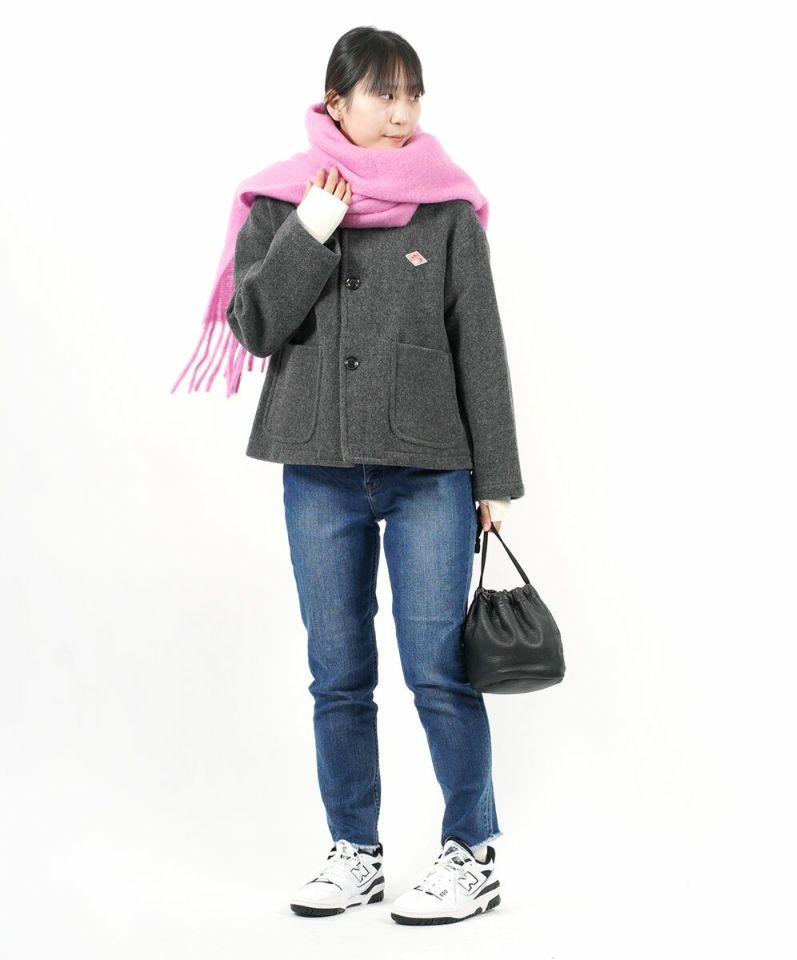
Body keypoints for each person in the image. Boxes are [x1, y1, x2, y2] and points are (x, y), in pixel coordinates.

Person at [203, 28, 526, 924]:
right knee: (338, 672)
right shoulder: (281, 201)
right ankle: (356, 851)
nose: (402, 112)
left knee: (438, 669)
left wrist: (495, 479)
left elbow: (479, 344)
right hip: (318, 467)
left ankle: (471, 852)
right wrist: (310, 228)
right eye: (384, 93)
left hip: (431, 470)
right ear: (336, 102)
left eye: (413, 94)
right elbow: (253, 326)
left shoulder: (447, 209)